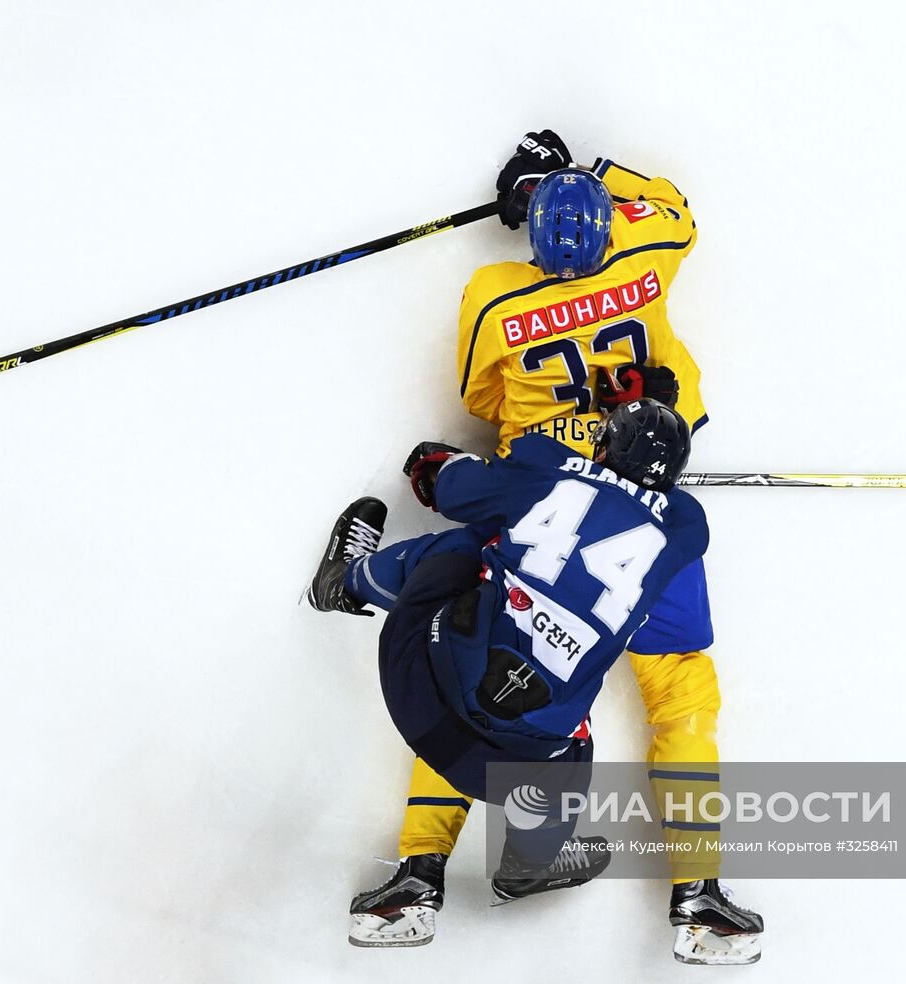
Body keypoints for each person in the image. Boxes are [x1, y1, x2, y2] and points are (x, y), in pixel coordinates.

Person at [362, 131, 763, 966]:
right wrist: (593, 171)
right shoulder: (645, 249)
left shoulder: (495, 295)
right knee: (681, 692)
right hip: (649, 510)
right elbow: (678, 213)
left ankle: (418, 875)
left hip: (538, 503)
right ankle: (698, 898)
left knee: (476, 666)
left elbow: (476, 392)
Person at [307, 401, 704, 949]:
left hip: (415, 695)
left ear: (604, 446)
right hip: (511, 773)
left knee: (473, 548)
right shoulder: (686, 529)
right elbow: (682, 519)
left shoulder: (550, 466)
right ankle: (532, 858)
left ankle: (345, 582)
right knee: (574, 722)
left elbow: (449, 488)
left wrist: (438, 465)